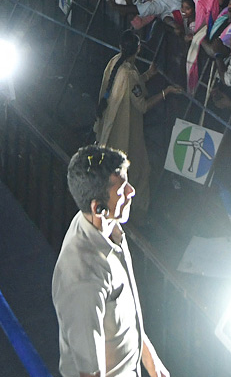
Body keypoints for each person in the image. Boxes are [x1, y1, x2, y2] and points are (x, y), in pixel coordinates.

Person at [52, 145, 169, 377]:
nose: (132, 191)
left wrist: (151, 362)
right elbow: (89, 373)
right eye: (122, 189)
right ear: (99, 208)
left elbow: (122, 314)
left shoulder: (106, 225)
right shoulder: (83, 278)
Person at [92, 32, 177, 217]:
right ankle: (136, 212)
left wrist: (148, 74)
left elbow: (133, 86)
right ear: (138, 49)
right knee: (140, 170)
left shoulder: (115, 62)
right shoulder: (129, 73)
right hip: (126, 134)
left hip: (109, 129)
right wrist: (166, 92)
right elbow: (143, 105)